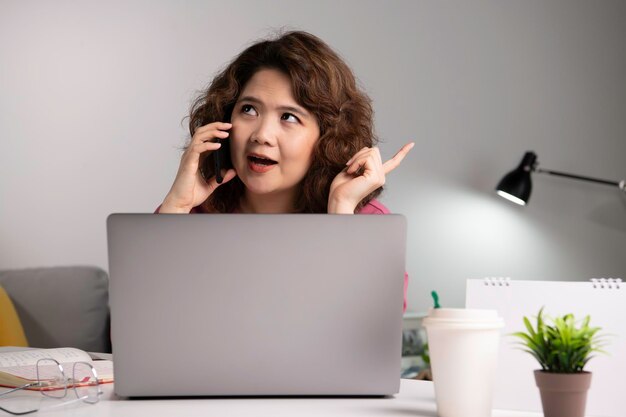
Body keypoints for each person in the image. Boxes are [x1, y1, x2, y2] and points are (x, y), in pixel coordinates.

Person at [157, 30, 413, 310]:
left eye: (288, 117)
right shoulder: (190, 214)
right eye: (249, 110)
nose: (262, 135)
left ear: (328, 137)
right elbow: (136, 333)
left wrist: (340, 216)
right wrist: (177, 207)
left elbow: (367, 342)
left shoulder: (364, 222)